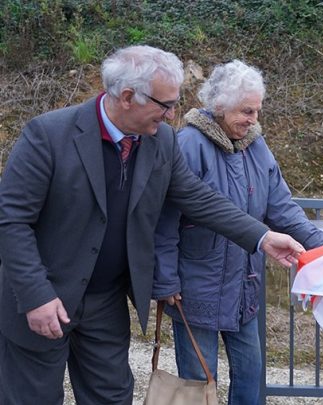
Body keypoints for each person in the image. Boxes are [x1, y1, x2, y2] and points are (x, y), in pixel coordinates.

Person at [0, 45, 305, 405]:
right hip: (43, 299)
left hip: (104, 303)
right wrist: (36, 295)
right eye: (165, 105)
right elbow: (11, 219)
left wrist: (262, 237)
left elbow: (198, 198)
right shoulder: (48, 135)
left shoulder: (161, 141)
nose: (174, 113)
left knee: (112, 397)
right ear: (128, 97)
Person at [153, 60, 323, 405]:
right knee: (198, 387)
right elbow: (164, 219)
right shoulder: (188, 145)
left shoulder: (256, 147)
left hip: (244, 288)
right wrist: (166, 280)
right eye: (245, 111)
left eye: (256, 111)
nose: (253, 119)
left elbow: (283, 209)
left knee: (251, 381)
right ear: (219, 105)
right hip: (194, 289)